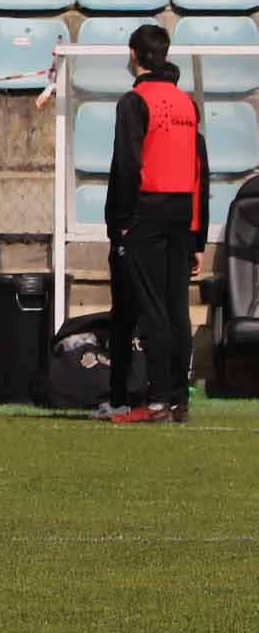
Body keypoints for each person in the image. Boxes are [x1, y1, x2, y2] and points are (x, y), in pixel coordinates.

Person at [105, 24, 211, 424]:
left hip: (147, 210)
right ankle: (178, 400)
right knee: (176, 308)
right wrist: (198, 236)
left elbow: (127, 164)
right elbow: (200, 173)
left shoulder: (134, 101)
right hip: (182, 213)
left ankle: (157, 400)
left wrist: (121, 221)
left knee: (152, 308)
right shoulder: (187, 104)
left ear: (133, 54)